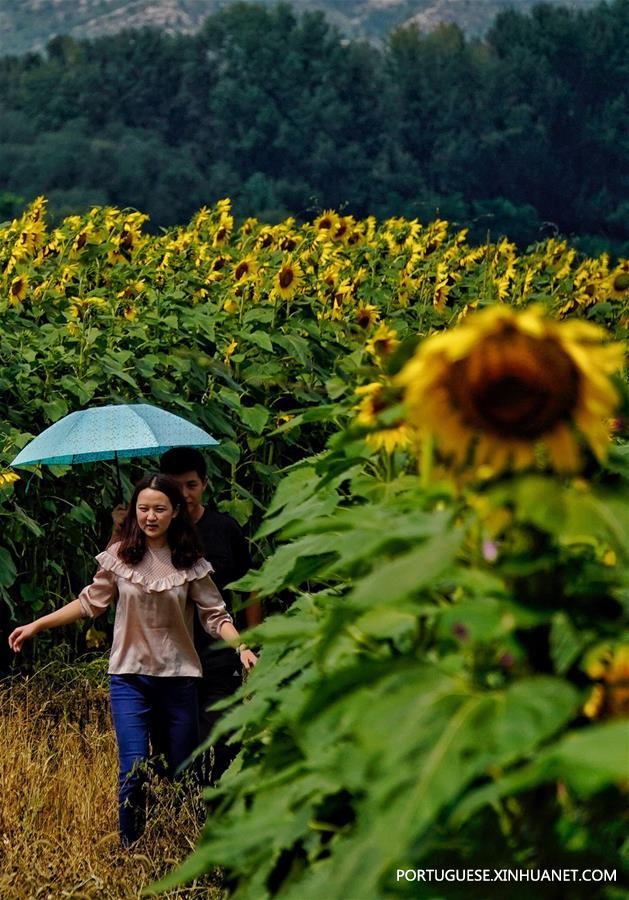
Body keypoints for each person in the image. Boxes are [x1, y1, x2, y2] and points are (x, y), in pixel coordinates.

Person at [9, 473, 257, 846]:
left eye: (159, 509)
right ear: (134, 512)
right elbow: (88, 602)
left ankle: (182, 844)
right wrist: (36, 625)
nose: (150, 516)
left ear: (175, 512)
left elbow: (216, 616)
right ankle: (131, 846)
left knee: (182, 767)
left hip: (179, 679)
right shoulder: (120, 557)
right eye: (143, 509)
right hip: (129, 679)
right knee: (134, 768)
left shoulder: (191, 563)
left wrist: (242, 647)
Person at [111, 448, 261, 784]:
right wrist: (121, 531)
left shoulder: (224, 529)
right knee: (171, 748)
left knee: (225, 737)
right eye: (178, 487)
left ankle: (219, 806)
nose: (186, 494)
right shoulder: (149, 538)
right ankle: (181, 810)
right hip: (168, 660)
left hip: (217, 656)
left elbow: (252, 587)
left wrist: (250, 642)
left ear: (205, 484)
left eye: (192, 485)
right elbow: (112, 581)